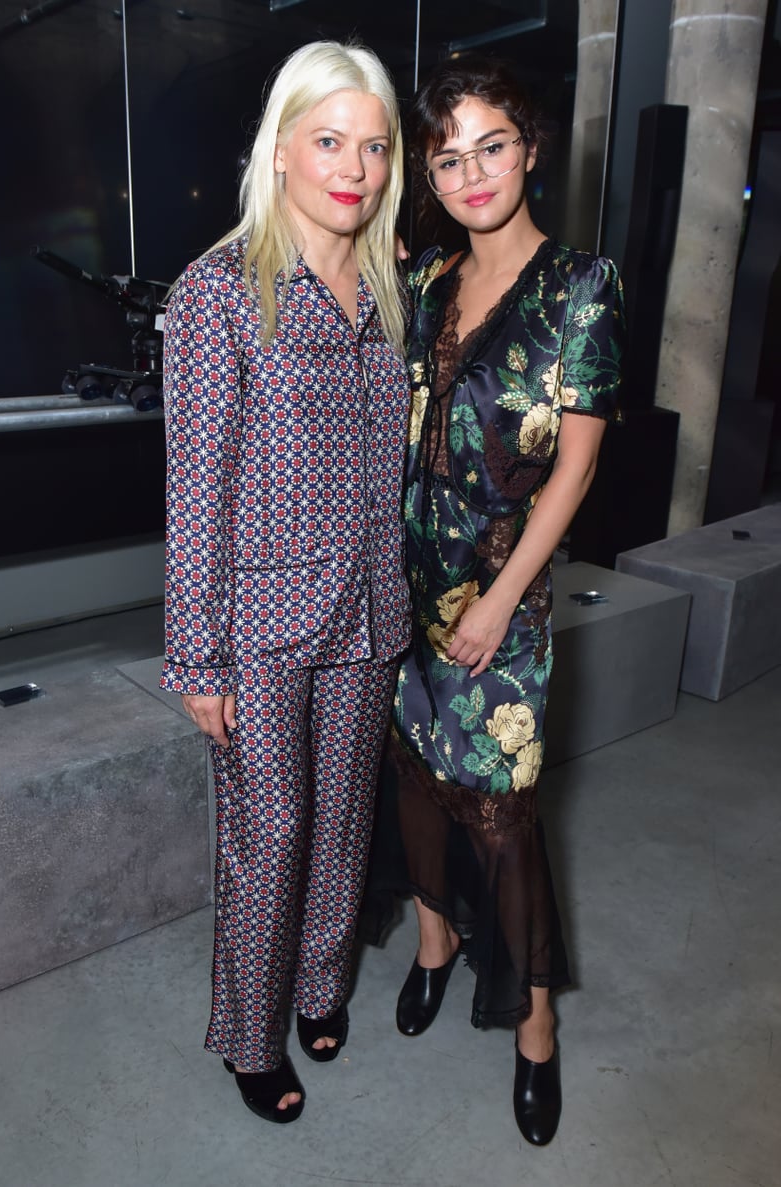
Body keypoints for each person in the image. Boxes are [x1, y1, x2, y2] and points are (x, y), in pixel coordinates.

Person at [159, 40, 411, 1124]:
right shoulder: (221, 293)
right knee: (274, 830)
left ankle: (319, 985)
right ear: (282, 148)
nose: (352, 166)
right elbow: (195, 489)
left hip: (367, 608)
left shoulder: (387, 289)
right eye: (328, 140)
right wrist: (196, 655)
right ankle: (250, 1034)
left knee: (346, 820)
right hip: (257, 621)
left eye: (373, 144)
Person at [376, 55, 625, 1145]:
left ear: (529, 148)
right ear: (429, 174)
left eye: (491, 146)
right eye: (448, 155)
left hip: (503, 605)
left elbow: (573, 470)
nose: (471, 171)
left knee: (506, 821)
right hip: (406, 588)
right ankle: (433, 948)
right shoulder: (426, 280)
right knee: (421, 787)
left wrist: (498, 602)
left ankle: (534, 1032)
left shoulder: (582, 285)